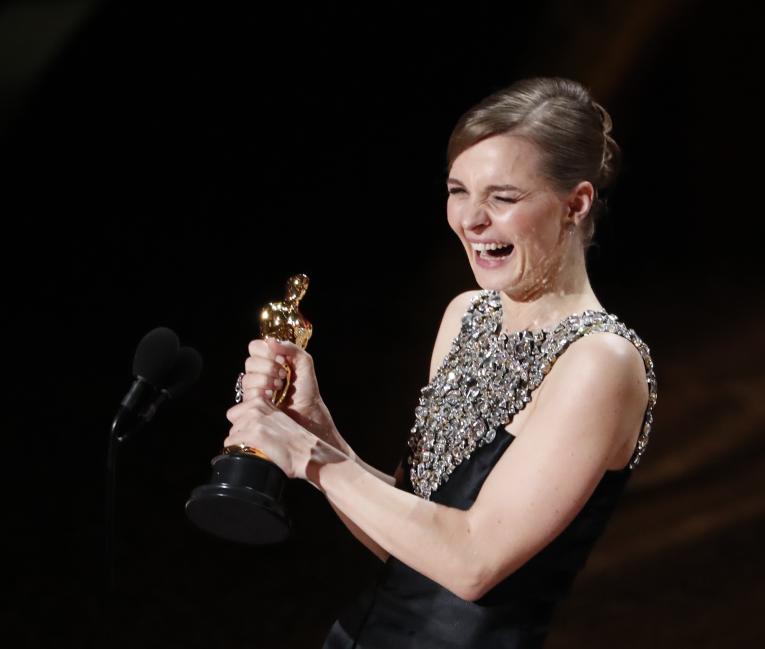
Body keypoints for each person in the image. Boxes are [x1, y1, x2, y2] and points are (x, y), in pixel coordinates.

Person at [225, 76, 659, 648]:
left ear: (574, 204)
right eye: (459, 191)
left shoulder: (600, 361)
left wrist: (309, 456)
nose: (471, 219)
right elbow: (411, 541)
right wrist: (319, 430)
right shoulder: (465, 315)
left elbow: (472, 563)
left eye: (503, 197)